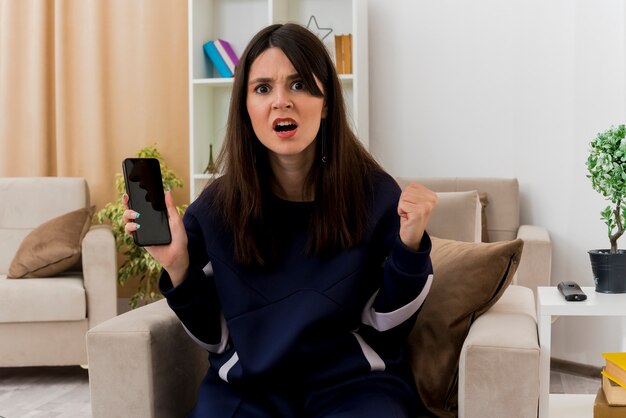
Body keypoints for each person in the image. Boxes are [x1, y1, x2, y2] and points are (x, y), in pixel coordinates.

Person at [123, 23, 437, 418]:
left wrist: (409, 247)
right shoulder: (215, 207)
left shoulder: (376, 195)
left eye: (300, 84)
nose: (281, 101)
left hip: (355, 387)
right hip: (247, 390)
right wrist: (177, 265)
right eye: (263, 88)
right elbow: (215, 339)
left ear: (326, 103)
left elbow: (389, 328)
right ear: (245, 108)